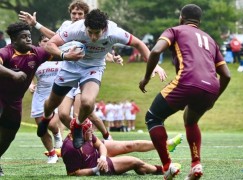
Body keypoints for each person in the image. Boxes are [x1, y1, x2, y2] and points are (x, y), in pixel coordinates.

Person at [39, 9, 167, 149]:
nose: (93, 37)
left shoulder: (114, 32)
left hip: (93, 68)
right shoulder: (76, 28)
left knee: (88, 103)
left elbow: (139, 44)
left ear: (104, 29)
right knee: (51, 103)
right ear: (85, 27)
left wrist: (154, 66)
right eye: (90, 32)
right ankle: (45, 118)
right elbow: (50, 45)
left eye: (97, 33)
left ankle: (78, 125)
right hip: (70, 66)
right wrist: (65, 56)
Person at [139, 4, 231, 180]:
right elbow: (226, 75)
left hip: (187, 81)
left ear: (181, 18)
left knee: (153, 117)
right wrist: (214, 99)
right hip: (210, 87)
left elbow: (156, 51)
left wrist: (146, 78)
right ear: (199, 21)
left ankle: (167, 166)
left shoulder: (175, 30)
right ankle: (196, 164)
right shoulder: (210, 40)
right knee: (190, 120)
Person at [19, 1, 114, 140]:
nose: (76, 16)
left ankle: (105, 138)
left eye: (80, 14)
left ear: (86, 16)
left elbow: (101, 45)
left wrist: (111, 56)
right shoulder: (66, 26)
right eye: (74, 13)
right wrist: (36, 24)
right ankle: (84, 138)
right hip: (69, 72)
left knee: (86, 110)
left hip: (87, 74)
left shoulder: (93, 29)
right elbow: (54, 38)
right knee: (63, 114)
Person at [0, 22, 80, 176]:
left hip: (15, 101)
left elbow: (58, 55)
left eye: (29, 36)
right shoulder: (6, 52)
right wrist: (13, 74)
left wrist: (70, 55)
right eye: (23, 37)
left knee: (9, 134)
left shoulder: (37, 53)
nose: (28, 39)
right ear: (14, 40)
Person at [62, 119, 182, 176]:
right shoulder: (70, 148)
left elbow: (100, 145)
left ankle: (166, 144)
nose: (91, 132)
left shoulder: (84, 135)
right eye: (88, 131)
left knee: (131, 144)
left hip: (99, 157)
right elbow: (73, 173)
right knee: (135, 161)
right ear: (78, 133)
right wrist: (96, 169)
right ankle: (163, 170)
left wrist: (103, 157)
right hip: (95, 167)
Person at [29, 35, 63, 163]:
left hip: (57, 96)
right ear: (39, 43)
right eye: (44, 41)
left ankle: (57, 135)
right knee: (41, 128)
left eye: (50, 41)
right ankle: (52, 154)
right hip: (40, 97)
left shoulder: (61, 57)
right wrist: (31, 85)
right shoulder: (35, 59)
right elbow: (28, 75)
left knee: (52, 124)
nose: (48, 43)